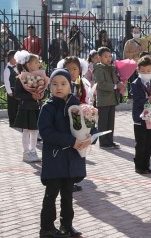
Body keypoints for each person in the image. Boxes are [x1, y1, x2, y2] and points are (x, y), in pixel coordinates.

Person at [37, 69, 89, 238]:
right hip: (55, 157)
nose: (59, 87)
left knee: (67, 194)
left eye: (63, 83)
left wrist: (89, 137)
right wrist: (70, 141)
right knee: (51, 193)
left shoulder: (77, 107)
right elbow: (46, 132)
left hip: (72, 158)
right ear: (49, 86)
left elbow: (87, 125)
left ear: (70, 86)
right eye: (54, 84)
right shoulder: (48, 107)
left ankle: (67, 225)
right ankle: (47, 228)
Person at [13, 50, 44, 163]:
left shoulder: (39, 77)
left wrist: (40, 95)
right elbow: (17, 94)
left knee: (35, 131)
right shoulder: (20, 78)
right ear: (28, 65)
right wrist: (31, 96)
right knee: (26, 131)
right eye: (36, 62)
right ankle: (26, 152)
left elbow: (42, 93)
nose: (38, 64)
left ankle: (33, 151)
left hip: (35, 108)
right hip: (25, 108)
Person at [131, 57, 151, 174]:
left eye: (148, 71)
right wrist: (148, 101)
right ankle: (139, 166)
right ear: (138, 70)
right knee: (141, 142)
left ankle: (146, 165)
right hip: (140, 117)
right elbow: (137, 100)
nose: (146, 73)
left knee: (148, 142)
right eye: (143, 71)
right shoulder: (135, 83)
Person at [93, 47, 124, 149]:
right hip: (103, 100)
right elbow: (101, 84)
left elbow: (115, 80)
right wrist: (115, 86)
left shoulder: (111, 68)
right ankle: (103, 143)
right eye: (105, 56)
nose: (108, 58)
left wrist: (120, 83)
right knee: (103, 123)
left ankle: (110, 141)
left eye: (110, 56)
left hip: (112, 99)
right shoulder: (98, 69)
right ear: (99, 57)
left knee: (111, 123)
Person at [4, 50, 19, 127]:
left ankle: (17, 121)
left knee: (17, 106)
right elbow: (6, 81)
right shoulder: (8, 69)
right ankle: (12, 121)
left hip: (17, 90)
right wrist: (9, 91)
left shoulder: (17, 67)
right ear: (11, 58)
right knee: (12, 107)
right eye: (16, 58)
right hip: (12, 90)